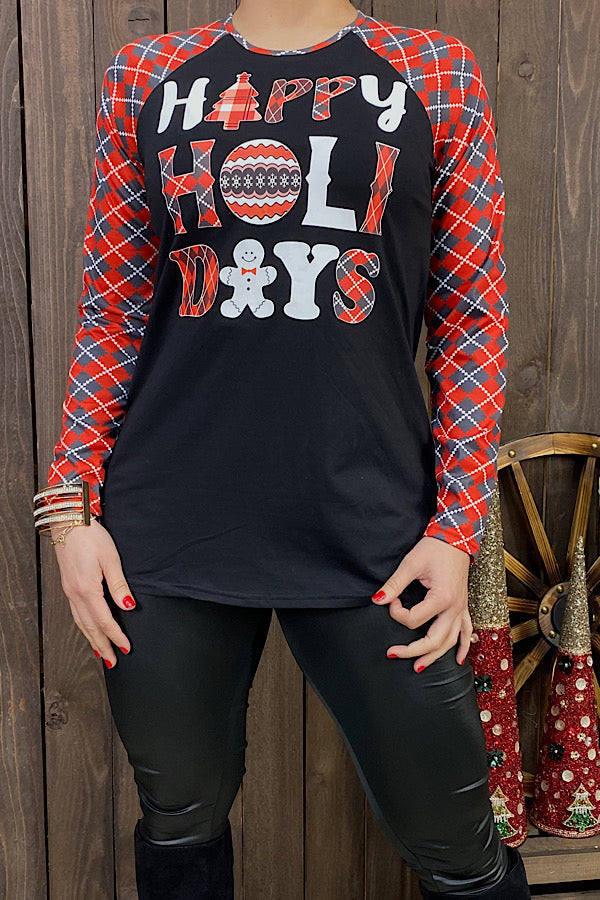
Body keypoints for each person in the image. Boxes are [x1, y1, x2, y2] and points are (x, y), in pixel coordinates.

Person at [33, 1, 532, 897]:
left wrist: (458, 527)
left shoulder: (435, 71)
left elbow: (472, 317)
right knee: (179, 823)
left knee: (460, 848)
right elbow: (114, 310)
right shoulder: (146, 77)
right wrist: (71, 511)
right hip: (167, 528)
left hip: (374, 525)